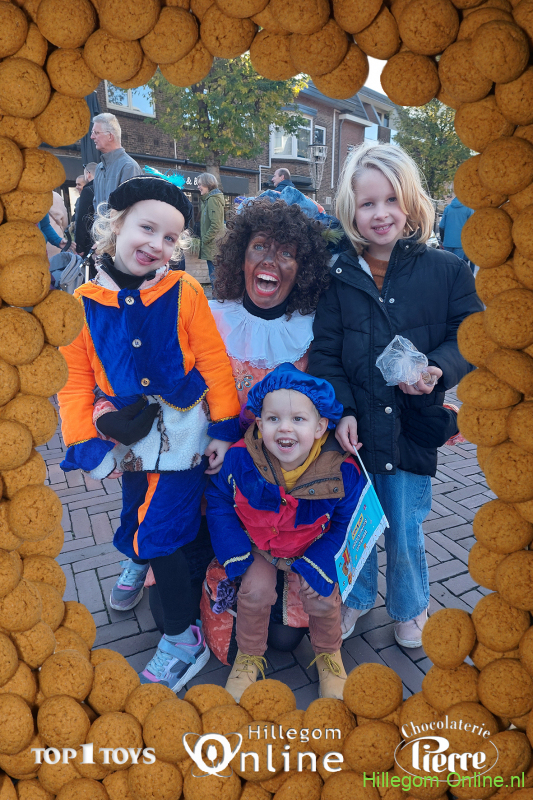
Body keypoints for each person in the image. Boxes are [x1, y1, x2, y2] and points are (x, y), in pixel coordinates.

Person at [57, 176, 241, 690]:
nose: (156, 244)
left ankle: (182, 639)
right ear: (115, 226)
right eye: (146, 228)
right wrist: (87, 439)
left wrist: (223, 427)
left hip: (183, 435)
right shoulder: (82, 301)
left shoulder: (185, 290)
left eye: (170, 237)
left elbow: (213, 360)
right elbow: (76, 379)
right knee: (135, 506)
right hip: (129, 437)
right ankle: (138, 557)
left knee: (159, 528)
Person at [309, 142, 483, 648]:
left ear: (410, 201)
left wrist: (437, 368)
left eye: (391, 200)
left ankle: (410, 606)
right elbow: (326, 352)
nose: (380, 213)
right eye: (368, 203)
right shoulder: (338, 276)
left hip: (412, 425)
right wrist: (341, 410)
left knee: (406, 527)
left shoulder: (445, 269)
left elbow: (469, 334)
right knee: (356, 523)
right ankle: (358, 598)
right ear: (351, 210)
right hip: (357, 431)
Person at [205, 198, 331, 653]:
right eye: (259, 247)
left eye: (286, 253)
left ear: (302, 270)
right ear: (241, 256)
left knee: (284, 639)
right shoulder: (211, 318)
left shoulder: (312, 331)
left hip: (281, 487)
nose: (270, 261)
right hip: (216, 479)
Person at [206, 363, 366, 700]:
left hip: (313, 546)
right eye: (274, 418)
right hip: (260, 547)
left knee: (322, 595)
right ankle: (248, 656)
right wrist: (236, 553)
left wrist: (320, 562)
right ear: (259, 423)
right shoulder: (239, 460)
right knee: (254, 592)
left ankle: (329, 655)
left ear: (320, 426)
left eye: (298, 419)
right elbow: (219, 499)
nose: (285, 428)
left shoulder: (343, 472)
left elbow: (347, 523)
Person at [91, 113, 142, 210]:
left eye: (96, 133)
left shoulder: (129, 167)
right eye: (92, 132)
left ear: (110, 136)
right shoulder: (99, 168)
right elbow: (96, 205)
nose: (92, 137)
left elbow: (130, 210)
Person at [198, 172, 225, 286]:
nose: (198, 187)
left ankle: (217, 297)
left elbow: (216, 225)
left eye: (200, 184)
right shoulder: (208, 200)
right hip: (212, 246)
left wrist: (205, 239)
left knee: (215, 278)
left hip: (213, 247)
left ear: (208, 184)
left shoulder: (212, 199)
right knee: (214, 277)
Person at [439, 195, 474, 272]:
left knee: (447, 265)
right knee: (457, 266)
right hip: (460, 243)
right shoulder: (468, 209)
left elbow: (441, 225)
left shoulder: (448, 208)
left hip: (447, 242)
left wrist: (442, 240)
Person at [75, 162, 97, 257]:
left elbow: (83, 219)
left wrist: (80, 246)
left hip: (90, 241)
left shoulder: (88, 190)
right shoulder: (107, 187)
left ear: (88, 174)